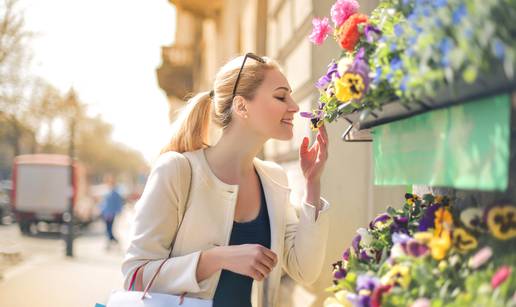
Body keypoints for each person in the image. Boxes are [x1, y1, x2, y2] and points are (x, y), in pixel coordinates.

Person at [122, 53, 331, 307]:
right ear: (241, 106)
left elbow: (304, 270)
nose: (295, 106)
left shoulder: (274, 178)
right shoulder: (176, 170)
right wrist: (217, 258)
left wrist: (312, 184)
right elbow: (135, 276)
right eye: (280, 96)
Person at [99, 174, 124, 248]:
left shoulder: (115, 192)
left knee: (109, 229)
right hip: (105, 213)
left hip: (110, 214)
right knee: (107, 229)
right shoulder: (108, 191)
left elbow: (117, 203)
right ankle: (110, 243)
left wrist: (117, 212)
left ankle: (114, 241)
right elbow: (104, 203)